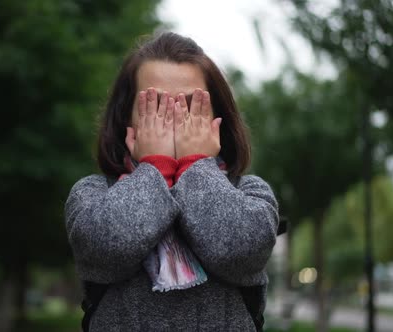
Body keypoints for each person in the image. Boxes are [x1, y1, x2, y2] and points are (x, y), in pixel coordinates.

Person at [65, 32, 279, 331]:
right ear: (126, 118)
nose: (174, 118)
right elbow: (107, 247)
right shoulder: (92, 194)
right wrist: (156, 167)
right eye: (155, 105)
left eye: (191, 106)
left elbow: (239, 250)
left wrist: (194, 165)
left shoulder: (250, 193)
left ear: (218, 118)